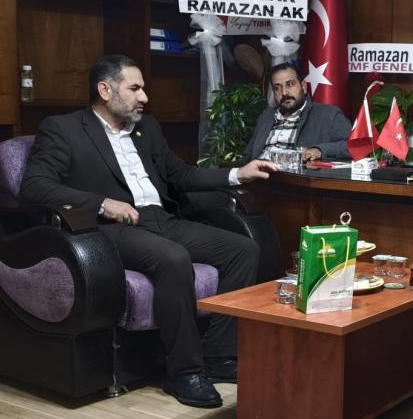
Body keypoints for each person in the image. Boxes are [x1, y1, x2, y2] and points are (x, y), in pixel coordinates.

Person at [21, 55, 280, 409]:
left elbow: (181, 174)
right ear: (105, 90)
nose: (144, 97)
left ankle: (217, 356)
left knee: (243, 250)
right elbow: (34, 185)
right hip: (111, 228)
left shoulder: (148, 128)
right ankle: (184, 372)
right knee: (174, 258)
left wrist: (237, 174)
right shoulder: (63, 129)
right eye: (135, 88)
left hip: (162, 220)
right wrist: (103, 204)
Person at [242, 62, 352, 163]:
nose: (284, 93)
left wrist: (320, 150)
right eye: (277, 88)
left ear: (303, 86)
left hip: (293, 176)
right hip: (258, 175)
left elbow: (352, 146)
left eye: (290, 84)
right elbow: (248, 155)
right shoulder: (266, 117)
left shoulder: (328, 114)